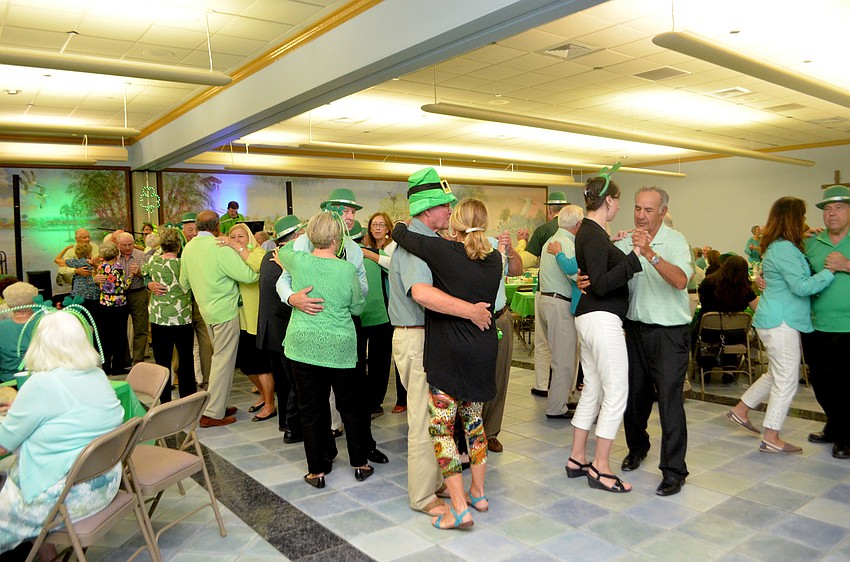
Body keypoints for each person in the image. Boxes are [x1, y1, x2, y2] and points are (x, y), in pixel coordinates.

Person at [392, 197, 503, 530]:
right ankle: (462, 494)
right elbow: (426, 291)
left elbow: (402, 234)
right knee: (464, 423)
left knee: (441, 426)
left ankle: (454, 501)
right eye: (444, 205)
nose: (446, 213)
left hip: (448, 349)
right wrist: (471, 310)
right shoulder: (493, 257)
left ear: (456, 224)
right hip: (466, 345)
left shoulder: (443, 251)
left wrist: (398, 226)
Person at [0, 310, 124, 555]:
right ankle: (47, 554)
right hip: (105, 482)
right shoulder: (98, 375)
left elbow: (3, 445)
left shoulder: (41, 384)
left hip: (64, 498)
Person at [727, 197, 834, 453]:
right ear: (792, 219)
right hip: (780, 320)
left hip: (775, 317)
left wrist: (807, 236)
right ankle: (771, 436)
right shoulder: (784, 248)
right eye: (802, 217)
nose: (806, 221)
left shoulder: (780, 246)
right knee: (787, 379)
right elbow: (801, 286)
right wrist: (830, 272)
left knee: (775, 374)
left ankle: (740, 411)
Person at [275, 211, 372, 488]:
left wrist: (309, 231)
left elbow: (287, 249)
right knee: (350, 406)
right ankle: (360, 463)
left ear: (311, 236)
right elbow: (357, 307)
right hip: (340, 346)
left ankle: (317, 471)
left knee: (311, 408)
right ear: (337, 238)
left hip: (302, 345)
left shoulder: (298, 260)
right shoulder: (347, 270)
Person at [565, 172, 642, 494]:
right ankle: (601, 466)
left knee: (594, 389)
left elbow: (593, 276)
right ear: (609, 200)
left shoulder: (592, 232)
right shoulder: (594, 234)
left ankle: (577, 457)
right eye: (618, 202)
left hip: (590, 315)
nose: (618, 207)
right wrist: (634, 259)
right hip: (602, 318)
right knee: (616, 391)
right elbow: (601, 281)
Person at [616, 186, 693, 497]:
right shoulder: (626, 242)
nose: (641, 215)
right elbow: (610, 272)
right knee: (633, 399)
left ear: (662, 212)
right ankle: (638, 447)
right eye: (637, 208)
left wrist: (649, 252)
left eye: (648, 210)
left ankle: (674, 471)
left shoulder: (676, 241)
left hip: (669, 334)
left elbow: (680, 281)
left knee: (670, 403)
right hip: (635, 331)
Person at [179, 210, 258, 427]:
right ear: (217, 227)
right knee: (223, 362)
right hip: (225, 311)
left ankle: (216, 404)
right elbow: (249, 276)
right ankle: (212, 413)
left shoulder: (189, 247)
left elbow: (184, 283)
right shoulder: (220, 246)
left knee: (218, 361)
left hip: (206, 311)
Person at [803, 185, 850, 459]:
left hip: (848, 328)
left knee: (847, 385)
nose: (832, 213)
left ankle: (846, 436)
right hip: (817, 325)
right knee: (822, 383)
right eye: (827, 209)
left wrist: (846, 265)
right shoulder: (811, 243)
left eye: (839, 207)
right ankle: (834, 426)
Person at [223, 223, 277, 422]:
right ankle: (263, 396)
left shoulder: (258, 252)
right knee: (246, 365)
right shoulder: (231, 257)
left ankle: (271, 404)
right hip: (241, 319)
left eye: (241, 237)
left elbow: (258, 266)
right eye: (233, 237)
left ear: (249, 238)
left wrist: (237, 247)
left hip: (256, 320)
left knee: (261, 365)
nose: (237, 240)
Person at [257, 215, 303, 441]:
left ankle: (285, 422)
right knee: (293, 382)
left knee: (283, 382)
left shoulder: (267, 257)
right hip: (284, 330)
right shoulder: (288, 260)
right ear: (295, 236)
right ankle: (293, 428)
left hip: (270, 331)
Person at [535, 205, 584, 420]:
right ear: (578, 224)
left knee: (563, 355)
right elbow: (575, 273)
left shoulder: (552, 240)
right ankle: (556, 407)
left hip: (547, 300)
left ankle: (564, 398)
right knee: (563, 359)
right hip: (560, 303)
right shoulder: (566, 244)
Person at [523, 191, 569, 398]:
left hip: (543, 292)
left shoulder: (543, 230)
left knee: (542, 342)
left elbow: (528, 260)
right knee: (565, 346)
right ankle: (564, 389)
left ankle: (542, 385)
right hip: (565, 294)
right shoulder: (574, 230)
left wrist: (521, 243)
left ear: (549, 210)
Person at [142, 227, 196, 403]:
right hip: (183, 317)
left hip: (159, 318)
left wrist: (149, 284)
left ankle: (164, 400)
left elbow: (143, 276)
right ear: (179, 245)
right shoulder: (184, 264)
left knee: (162, 361)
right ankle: (187, 398)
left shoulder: (153, 262)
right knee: (186, 359)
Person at [482, 226, 523, 452]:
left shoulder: (492, 242)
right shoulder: (455, 246)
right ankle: (471, 433)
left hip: (500, 317)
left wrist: (510, 250)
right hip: (472, 321)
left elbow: (516, 271)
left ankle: (491, 432)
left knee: (499, 377)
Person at [694, 255, 759, 383]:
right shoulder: (745, 289)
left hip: (708, 331)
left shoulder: (708, 282)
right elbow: (758, 308)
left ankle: (704, 366)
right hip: (734, 334)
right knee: (736, 334)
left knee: (695, 332)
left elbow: (701, 300)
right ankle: (729, 368)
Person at [358, 212, 396, 418]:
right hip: (364, 310)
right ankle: (364, 398)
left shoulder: (394, 248)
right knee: (360, 359)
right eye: (374, 225)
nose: (378, 228)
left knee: (379, 360)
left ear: (388, 228)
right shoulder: (359, 249)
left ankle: (375, 403)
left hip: (386, 310)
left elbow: (394, 266)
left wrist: (369, 253)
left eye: (382, 224)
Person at [93, 242, 132, 376]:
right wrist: (131, 276)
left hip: (104, 304)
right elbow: (122, 287)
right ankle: (117, 367)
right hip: (118, 306)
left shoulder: (100, 267)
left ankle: (105, 366)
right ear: (116, 253)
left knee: (105, 336)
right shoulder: (118, 268)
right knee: (119, 337)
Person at [116, 232, 149, 366]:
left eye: (130, 244)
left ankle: (138, 361)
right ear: (118, 245)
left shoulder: (142, 256)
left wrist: (139, 273)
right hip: (119, 294)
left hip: (138, 293)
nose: (128, 247)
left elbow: (149, 276)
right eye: (124, 245)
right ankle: (123, 361)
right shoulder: (114, 257)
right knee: (119, 328)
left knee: (141, 328)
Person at [0, 282, 38, 382]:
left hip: (9, 383)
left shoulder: (2, 327)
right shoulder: (46, 322)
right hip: (41, 378)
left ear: (8, 303)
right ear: (35, 300)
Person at [54, 241, 100, 315]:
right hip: (94, 294)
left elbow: (56, 260)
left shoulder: (75, 263)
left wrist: (66, 248)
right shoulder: (93, 263)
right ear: (89, 253)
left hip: (79, 295)